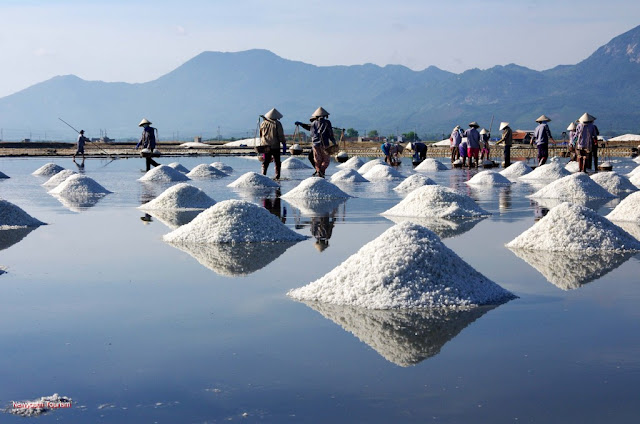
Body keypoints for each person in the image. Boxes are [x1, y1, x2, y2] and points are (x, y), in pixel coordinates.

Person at [295, 107, 335, 178]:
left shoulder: (313, 123)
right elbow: (330, 134)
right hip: (324, 144)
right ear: (325, 116)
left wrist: (301, 124)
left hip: (315, 144)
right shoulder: (327, 123)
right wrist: (334, 142)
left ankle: (318, 171)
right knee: (326, 160)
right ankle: (320, 171)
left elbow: (308, 127)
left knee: (317, 160)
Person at [259, 107, 286, 180]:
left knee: (266, 161)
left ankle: (263, 175)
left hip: (265, 145)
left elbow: (261, 135)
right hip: (275, 146)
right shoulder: (277, 123)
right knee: (277, 161)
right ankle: (277, 176)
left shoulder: (263, 123)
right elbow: (280, 135)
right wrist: (284, 144)